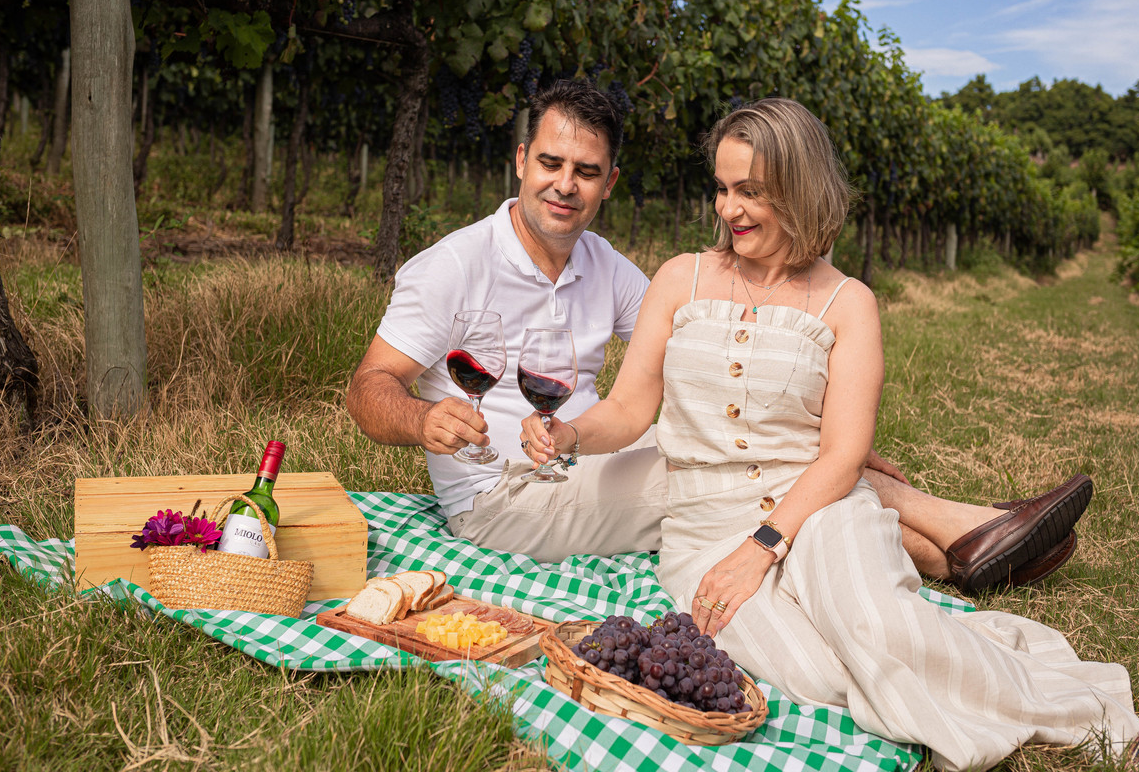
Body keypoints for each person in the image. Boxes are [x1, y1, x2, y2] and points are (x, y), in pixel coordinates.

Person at [519, 97, 1139, 771]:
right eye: (722, 189)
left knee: (877, 629)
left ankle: (1096, 718)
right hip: (703, 533)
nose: (729, 209)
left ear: (800, 189)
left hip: (820, 510)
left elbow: (845, 456)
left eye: (750, 191)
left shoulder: (848, 303)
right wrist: (569, 434)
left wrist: (762, 548)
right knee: (815, 674)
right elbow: (628, 410)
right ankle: (975, 660)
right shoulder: (682, 277)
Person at [346, 79, 1086, 595]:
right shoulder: (453, 266)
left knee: (754, 457)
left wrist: (833, 444)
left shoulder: (605, 265)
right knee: (727, 475)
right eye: (550, 163)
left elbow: (711, 361)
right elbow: (367, 388)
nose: (564, 185)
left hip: (585, 461)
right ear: (520, 161)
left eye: (586, 171)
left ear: (608, 182)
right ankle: (967, 531)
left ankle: (963, 555)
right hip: (503, 495)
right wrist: (422, 418)